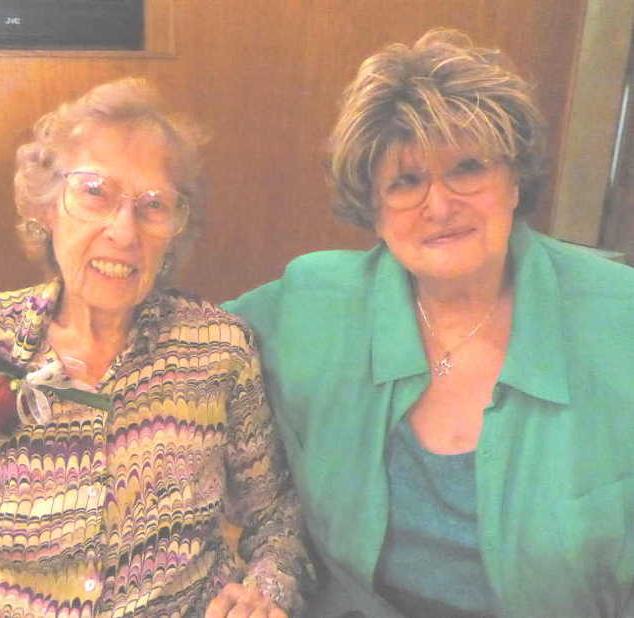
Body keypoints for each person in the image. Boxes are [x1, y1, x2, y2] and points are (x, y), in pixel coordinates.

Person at [224, 29, 634, 618]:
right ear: (373, 208)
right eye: (406, 181)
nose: (439, 206)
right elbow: (178, 345)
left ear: (515, 181)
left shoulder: (617, 319)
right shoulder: (317, 303)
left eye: (467, 169)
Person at [0, 78, 312, 617]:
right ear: (46, 207)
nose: (124, 231)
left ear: (175, 229)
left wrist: (264, 592)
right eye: (95, 192)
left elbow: (276, 516)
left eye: (153, 205)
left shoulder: (217, 351)